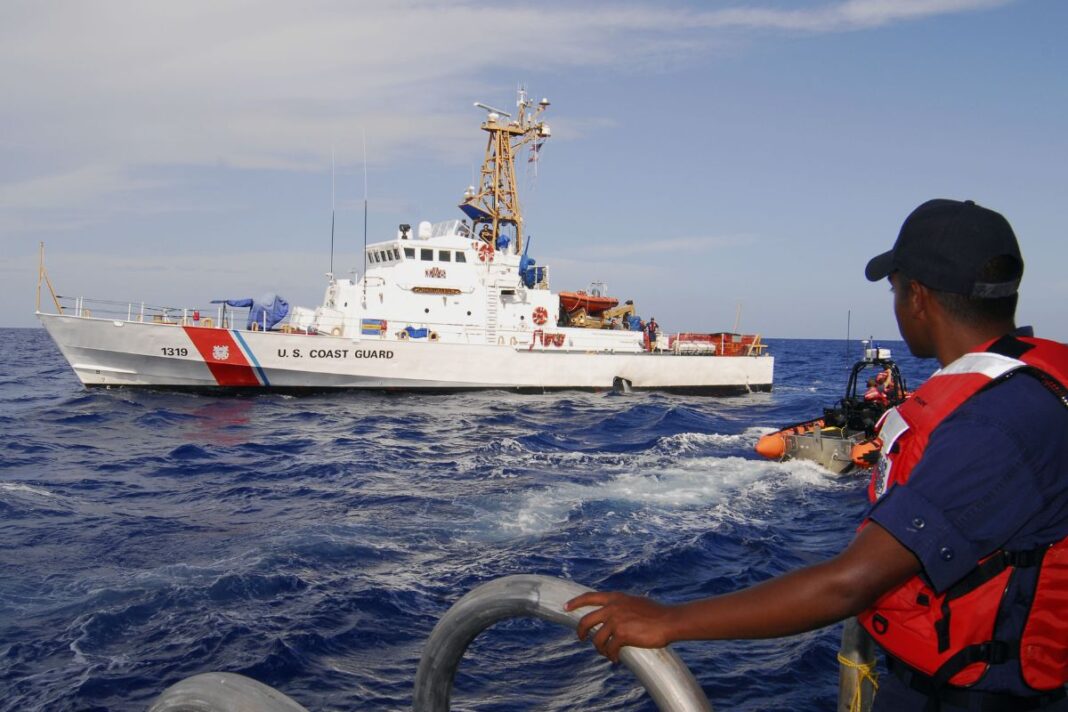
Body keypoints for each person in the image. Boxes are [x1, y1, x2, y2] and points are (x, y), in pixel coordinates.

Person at [566, 199, 1068, 711]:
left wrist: (669, 619)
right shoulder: (1025, 391)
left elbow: (849, 584)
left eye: (895, 290)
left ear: (917, 297)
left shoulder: (992, 424)